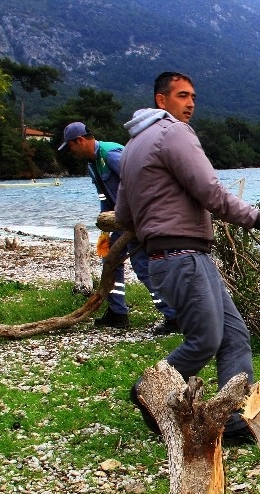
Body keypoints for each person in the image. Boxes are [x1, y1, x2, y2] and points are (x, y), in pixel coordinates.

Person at [113, 71, 260, 442]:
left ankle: (232, 422)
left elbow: (123, 216)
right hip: (183, 257)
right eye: (182, 95)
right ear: (161, 101)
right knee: (206, 339)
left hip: (173, 259)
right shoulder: (173, 133)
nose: (191, 103)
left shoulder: (132, 146)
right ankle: (151, 391)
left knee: (233, 337)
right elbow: (212, 193)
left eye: (193, 96)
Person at [58, 121, 180, 335]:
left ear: (80, 140)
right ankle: (118, 312)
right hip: (120, 221)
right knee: (110, 259)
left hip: (139, 220)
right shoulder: (92, 164)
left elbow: (143, 182)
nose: (71, 151)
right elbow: (105, 198)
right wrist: (105, 231)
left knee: (143, 266)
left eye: (70, 146)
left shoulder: (111, 154)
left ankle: (174, 317)